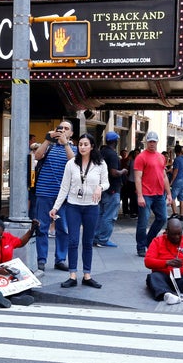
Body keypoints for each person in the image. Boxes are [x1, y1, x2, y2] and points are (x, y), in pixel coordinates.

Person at [50, 133, 109, 289]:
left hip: (91, 206)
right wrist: (56, 207)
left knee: (88, 242)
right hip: (73, 206)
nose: (82, 147)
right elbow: (64, 187)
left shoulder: (100, 164)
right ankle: (72, 275)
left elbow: (106, 182)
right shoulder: (71, 164)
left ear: (92, 146)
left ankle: (87, 275)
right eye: (80, 144)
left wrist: (100, 187)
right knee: (73, 241)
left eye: (85, 144)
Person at [33, 120, 77, 272]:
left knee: (63, 229)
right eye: (61, 128)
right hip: (44, 192)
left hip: (64, 196)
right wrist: (47, 139)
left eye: (67, 129)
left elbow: (74, 162)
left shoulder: (75, 149)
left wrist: (65, 144)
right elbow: (37, 156)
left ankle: (60, 259)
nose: (63, 130)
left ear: (71, 133)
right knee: (42, 227)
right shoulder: (49, 146)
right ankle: (41, 259)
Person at [134, 131, 172, 257]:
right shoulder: (141, 157)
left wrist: (169, 194)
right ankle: (140, 246)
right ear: (146, 142)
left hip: (159, 194)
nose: (151, 144)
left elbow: (164, 176)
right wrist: (139, 195)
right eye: (149, 141)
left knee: (162, 218)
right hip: (145, 194)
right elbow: (138, 177)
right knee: (143, 222)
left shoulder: (161, 157)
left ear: (157, 142)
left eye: (153, 141)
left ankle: (149, 241)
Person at [93, 132, 126, 248]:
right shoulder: (112, 155)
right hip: (112, 189)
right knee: (110, 215)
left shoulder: (101, 152)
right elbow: (114, 172)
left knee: (101, 214)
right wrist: (123, 171)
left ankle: (96, 237)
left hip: (102, 188)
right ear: (116, 141)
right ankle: (103, 239)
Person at [169, 145, 183, 220]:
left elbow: (175, 171)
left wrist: (171, 181)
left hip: (178, 180)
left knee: (172, 197)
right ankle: (182, 215)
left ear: (175, 152)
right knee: (181, 198)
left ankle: (175, 213)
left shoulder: (177, 160)